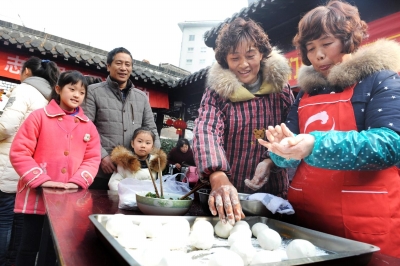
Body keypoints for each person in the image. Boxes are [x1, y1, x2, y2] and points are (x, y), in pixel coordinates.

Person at [259, 0, 400, 257]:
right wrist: (280, 150)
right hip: (308, 217)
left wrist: (316, 144)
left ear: (348, 40)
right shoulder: (305, 94)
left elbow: (389, 145)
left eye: (326, 44)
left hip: (365, 219)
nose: (318, 55)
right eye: (310, 48)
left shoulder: (380, 80)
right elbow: (289, 153)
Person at [192, 17, 294, 225]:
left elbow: (292, 130)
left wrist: (270, 161)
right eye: (235, 58)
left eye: (250, 55)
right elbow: (206, 131)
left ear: (262, 54)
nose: (244, 64)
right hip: (229, 193)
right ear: (225, 61)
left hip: (272, 195)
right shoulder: (217, 93)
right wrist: (217, 175)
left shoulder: (281, 90)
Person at [9, 70, 101, 265]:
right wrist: (42, 180)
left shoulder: (88, 126)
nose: (77, 95)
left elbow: (92, 159)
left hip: (67, 200)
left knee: (54, 251)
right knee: (26, 247)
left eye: (82, 92)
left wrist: (77, 181)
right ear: (58, 89)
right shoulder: (38, 117)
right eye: (72, 88)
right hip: (34, 197)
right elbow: (19, 152)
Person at [0, 57, 59, 266]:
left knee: (3, 221)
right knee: (16, 223)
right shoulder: (49, 100)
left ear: (26, 72)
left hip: (7, 164)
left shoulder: (24, 90)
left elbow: (6, 126)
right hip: (27, 170)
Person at [82, 47, 160, 190]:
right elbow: (85, 129)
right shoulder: (93, 92)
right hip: (101, 170)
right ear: (108, 66)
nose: (123, 68)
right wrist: (102, 156)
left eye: (127, 64)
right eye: (118, 63)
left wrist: (155, 159)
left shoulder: (141, 97)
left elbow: (151, 129)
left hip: (132, 174)